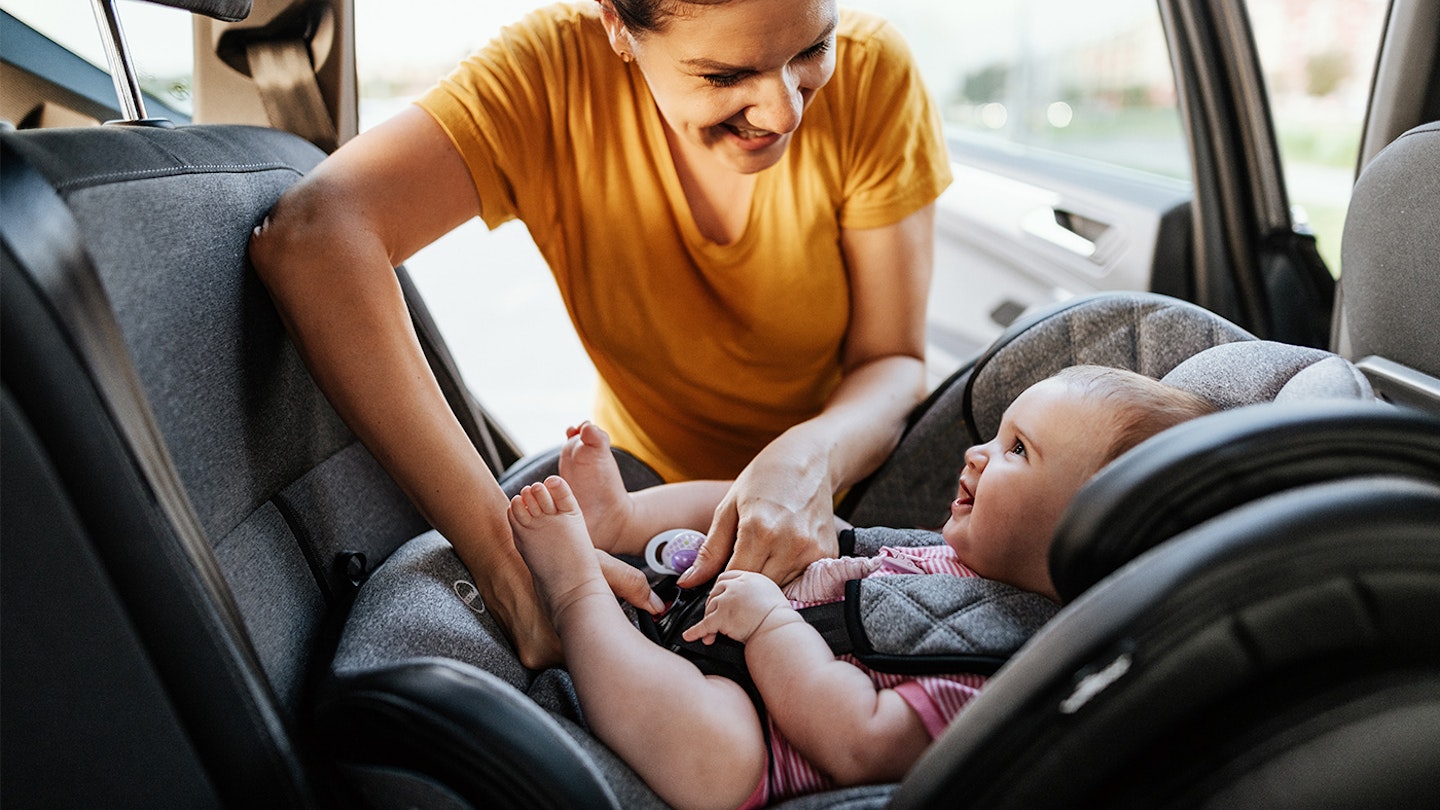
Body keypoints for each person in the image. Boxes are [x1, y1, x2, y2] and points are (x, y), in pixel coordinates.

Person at [248, 0, 952, 668]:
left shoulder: (874, 72)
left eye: (812, 50)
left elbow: (890, 361)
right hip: (648, 491)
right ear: (616, 22)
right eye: (725, 75)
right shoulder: (550, 76)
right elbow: (312, 238)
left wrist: (808, 462)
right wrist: (510, 568)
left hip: (846, 475)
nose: (784, 108)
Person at [507, 365, 1217, 808]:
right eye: (999, 435)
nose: (976, 454)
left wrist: (771, 627)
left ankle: (574, 596)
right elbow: (848, 564)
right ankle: (622, 520)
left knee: (716, 761)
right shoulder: (957, 561)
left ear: (1081, 536)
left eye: (1016, 452)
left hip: (765, 730)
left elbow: (860, 742)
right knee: (787, 509)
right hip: (745, 606)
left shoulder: (1002, 671)